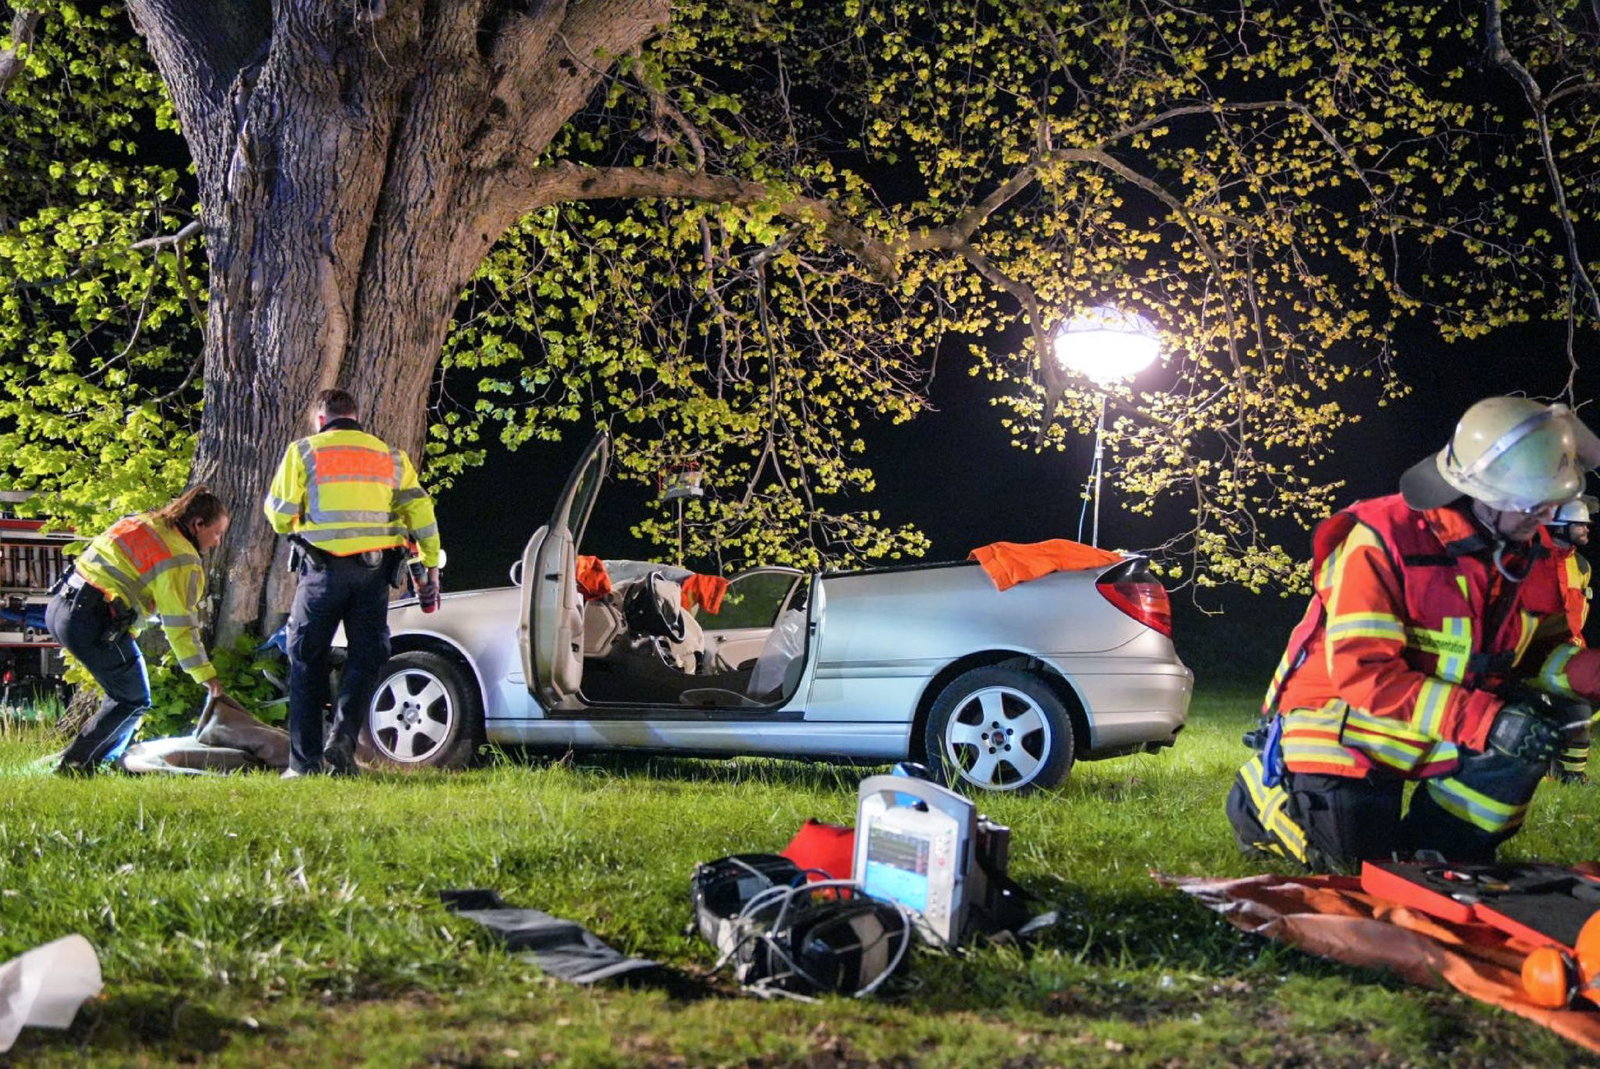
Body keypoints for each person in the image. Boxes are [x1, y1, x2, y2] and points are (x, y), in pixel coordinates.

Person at [1226, 396, 1600, 872]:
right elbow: (1365, 677)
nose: (1544, 520)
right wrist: (1488, 721)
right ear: (1484, 492)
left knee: (1518, 748)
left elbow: (1542, 654)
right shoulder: (1384, 538)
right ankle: (1262, 798)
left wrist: (1591, 674)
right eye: (1533, 506)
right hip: (1341, 723)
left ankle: (1438, 854)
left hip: (1440, 720)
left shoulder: (1532, 552)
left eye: (1553, 505)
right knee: (1355, 872)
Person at [263, 388, 442, 776]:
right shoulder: (390, 457)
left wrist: (300, 523)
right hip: (374, 574)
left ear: (321, 420)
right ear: (356, 416)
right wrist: (429, 562)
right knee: (366, 656)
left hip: (322, 572)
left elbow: (278, 514)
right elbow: (421, 510)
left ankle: (304, 764)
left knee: (306, 659)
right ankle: (343, 740)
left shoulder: (304, 451)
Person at [47, 486, 231, 775]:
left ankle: (92, 763)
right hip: (93, 623)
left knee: (122, 696)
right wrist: (205, 676)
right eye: (217, 532)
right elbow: (180, 626)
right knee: (133, 700)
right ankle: (76, 767)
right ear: (197, 524)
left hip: (60, 607)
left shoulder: (142, 521)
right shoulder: (182, 559)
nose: (218, 541)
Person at [1545, 497, 1595, 782]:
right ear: (1559, 526)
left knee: (1579, 710)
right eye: (1581, 522)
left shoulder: (1583, 566)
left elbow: (1579, 612)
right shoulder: (1533, 557)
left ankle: (1572, 775)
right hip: (1533, 653)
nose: (1587, 527)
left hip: (1569, 652)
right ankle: (1550, 771)